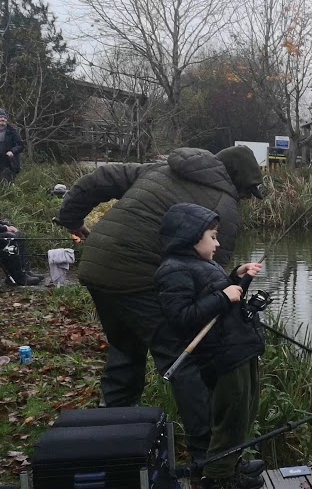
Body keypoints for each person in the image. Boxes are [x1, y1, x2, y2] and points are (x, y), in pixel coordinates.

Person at [54, 146, 265, 465]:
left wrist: (71, 219)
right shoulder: (225, 205)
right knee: (183, 361)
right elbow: (207, 275)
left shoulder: (161, 169)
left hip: (96, 267)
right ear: (238, 183)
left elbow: (100, 178)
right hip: (139, 278)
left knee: (126, 347)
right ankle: (206, 456)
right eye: (248, 192)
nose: (247, 199)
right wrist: (228, 295)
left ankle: (113, 433)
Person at [155, 202, 265, 489]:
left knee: (245, 412)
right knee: (230, 418)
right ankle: (216, 484)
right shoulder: (173, 270)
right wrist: (223, 295)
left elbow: (221, 295)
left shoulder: (205, 265)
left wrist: (238, 277)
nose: (217, 243)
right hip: (221, 356)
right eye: (212, 236)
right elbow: (182, 317)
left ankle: (230, 467)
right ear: (190, 236)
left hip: (239, 350)